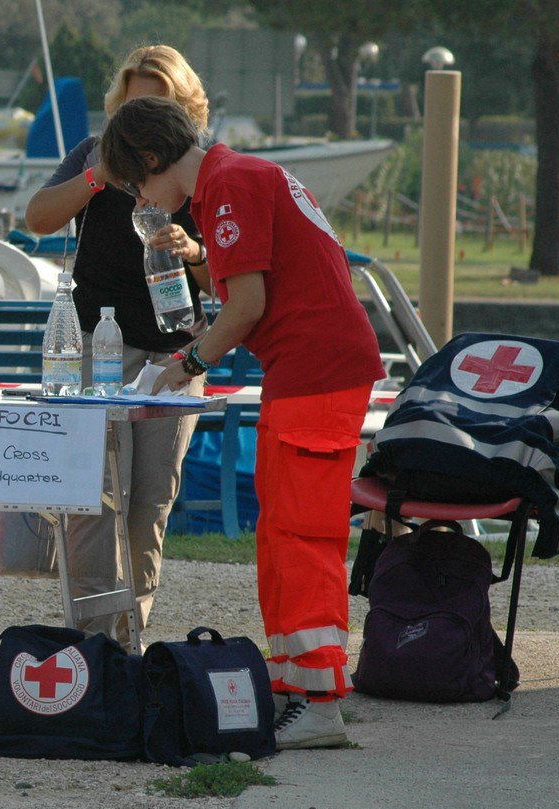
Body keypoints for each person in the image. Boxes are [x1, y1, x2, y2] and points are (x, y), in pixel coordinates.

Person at [100, 95, 385, 749]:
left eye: (138, 184)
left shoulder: (227, 185)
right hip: (314, 368)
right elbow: (255, 293)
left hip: (318, 371)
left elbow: (248, 305)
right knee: (282, 529)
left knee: (303, 535)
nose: (142, 199)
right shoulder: (239, 178)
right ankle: (294, 685)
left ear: (151, 159)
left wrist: (189, 360)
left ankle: (317, 698)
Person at [23, 45, 210, 646]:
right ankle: (92, 637)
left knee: (151, 499)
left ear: (182, 109)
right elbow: (37, 218)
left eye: (155, 103)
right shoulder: (94, 154)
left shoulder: (201, 171)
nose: (140, 118)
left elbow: (232, 279)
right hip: (94, 342)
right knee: (94, 499)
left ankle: (129, 639)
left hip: (173, 352)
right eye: (131, 104)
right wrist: (95, 176)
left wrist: (195, 252)